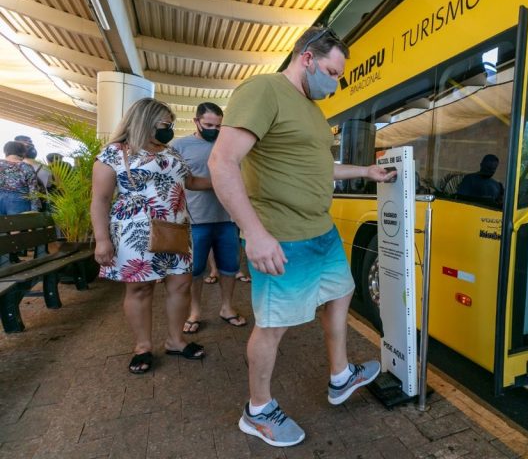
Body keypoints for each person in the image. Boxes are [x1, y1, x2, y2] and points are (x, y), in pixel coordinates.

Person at [209, 26, 395, 447]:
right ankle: (258, 410)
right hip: (283, 235)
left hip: (321, 230)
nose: (335, 83)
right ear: (307, 58)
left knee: (342, 292)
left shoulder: (311, 109)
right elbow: (222, 162)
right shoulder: (264, 90)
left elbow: (319, 167)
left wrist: (365, 171)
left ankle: (340, 375)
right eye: (332, 72)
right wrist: (254, 234)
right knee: (274, 326)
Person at [90, 98, 212, 374]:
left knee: (181, 285)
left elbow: (190, 182)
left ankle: (176, 341)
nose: (169, 129)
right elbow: (100, 200)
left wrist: (226, 180)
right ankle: (142, 347)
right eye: (165, 124)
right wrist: (102, 239)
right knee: (140, 288)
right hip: (135, 232)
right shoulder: (114, 153)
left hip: (176, 229)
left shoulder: (170, 152)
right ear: (145, 120)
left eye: (171, 124)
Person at [172, 102, 247, 334]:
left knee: (229, 267)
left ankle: (227, 307)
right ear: (196, 121)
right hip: (195, 220)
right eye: (208, 125)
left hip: (227, 219)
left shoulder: (228, 145)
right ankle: (195, 312)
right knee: (195, 271)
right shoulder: (179, 146)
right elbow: (176, 181)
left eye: (218, 126)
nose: (214, 130)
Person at [0, 140, 41, 215]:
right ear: (22, 152)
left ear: (5, 151)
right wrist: (35, 209)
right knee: (18, 222)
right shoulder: (26, 167)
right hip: (19, 202)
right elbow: (33, 190)